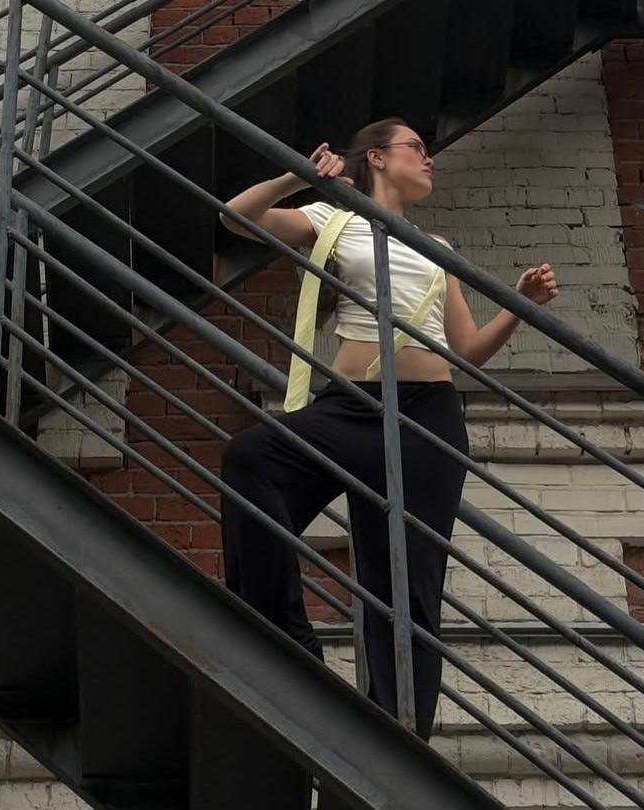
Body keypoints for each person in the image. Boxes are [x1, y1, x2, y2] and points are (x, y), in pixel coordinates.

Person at [217, 117, 559, 748]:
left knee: (406, 587)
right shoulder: (334, 220)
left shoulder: (436, 246)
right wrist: (300, 177)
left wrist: (517, 304)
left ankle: (396, 743)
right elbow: (236, 217)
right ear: (375, 157)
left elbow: (466, 350)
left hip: (429, 420)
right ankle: (284, 640)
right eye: (416, 149)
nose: (429, 160)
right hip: (351, 407)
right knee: (252, 459)